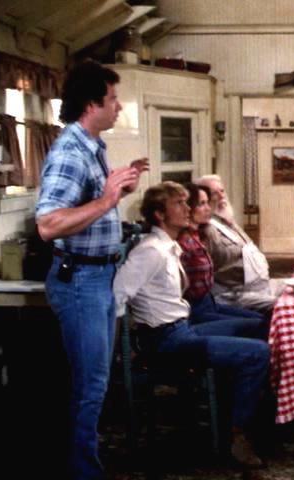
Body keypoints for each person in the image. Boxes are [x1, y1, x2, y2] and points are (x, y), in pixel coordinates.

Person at [36, 60, 148, 479]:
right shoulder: (69, 152)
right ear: (90, 104)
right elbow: (48, 224)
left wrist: (120, 190)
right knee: (91, 384)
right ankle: (83, 471)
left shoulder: (93, 147)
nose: (118, 106)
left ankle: (85, 462)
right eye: (113, 99)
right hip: (80, 281)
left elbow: (91, 206)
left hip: (98, 277)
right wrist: (106, 200)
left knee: (95, 382)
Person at [113, 181, 269, 468]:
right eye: (179, 203)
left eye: (187, 202)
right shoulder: (150, 251)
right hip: (165, 340)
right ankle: (237, 435)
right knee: (258, 353)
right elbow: (117, 295)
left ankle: (231, 414)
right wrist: (126, 346)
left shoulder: (168, 246)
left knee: (259, 327)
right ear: (159, 214)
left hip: (180, 328)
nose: (187, 208)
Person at [178, 182, 267, 338]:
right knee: (260, 326)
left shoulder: (199, 234)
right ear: (189, 208)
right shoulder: (185, 242)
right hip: (197, 309)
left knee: (263, 321)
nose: (208, 208)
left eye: (207, 203)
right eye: (201, 204)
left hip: (210, 303)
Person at [195, 174, 284, 314]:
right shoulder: (207, 230)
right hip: (235, 294)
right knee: (286, 305)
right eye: (214, 193)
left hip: (263, 285)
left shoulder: (227, 221)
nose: (221, 196)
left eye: (222, 191)